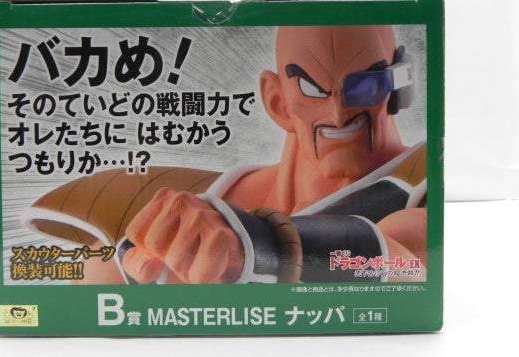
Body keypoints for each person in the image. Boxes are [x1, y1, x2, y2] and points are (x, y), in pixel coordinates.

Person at [28, 25, 426, 285]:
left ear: (399, 88)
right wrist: (141, 266)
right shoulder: (170, 194)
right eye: (313, 89)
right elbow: (84, 300)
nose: (338, 113)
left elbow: (409, 268)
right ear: (277, 102)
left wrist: (254, 246)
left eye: (364, 87)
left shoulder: (421, 181)